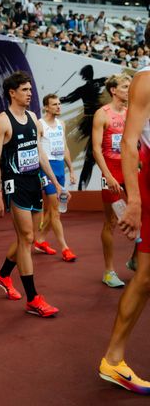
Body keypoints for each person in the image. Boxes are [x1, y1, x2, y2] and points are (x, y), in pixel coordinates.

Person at [0, 70, 66, 316]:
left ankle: (3, 275)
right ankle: (33, 299)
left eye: (30, 89)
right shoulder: (2, 121)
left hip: (34, 182)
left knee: (30, 238)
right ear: (12, 93)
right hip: (16, 184)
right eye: (25, 89)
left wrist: (55, 182)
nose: (29, 93)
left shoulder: (33, 117)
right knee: (25, 237)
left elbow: (39, 153)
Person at [99, 33, 150, 394]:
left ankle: (113, 360)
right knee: (146, 276)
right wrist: (133, 200)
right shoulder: (147, 79)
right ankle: (113, 361)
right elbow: (129, 142)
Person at [92, 74, 132, 288]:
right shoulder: (102, 114)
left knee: (142, 212)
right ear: (113, 90)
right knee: (112, 222)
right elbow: (96, 149)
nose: (129, 90)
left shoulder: (130, 113)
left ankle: (135, 258)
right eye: (125, 86)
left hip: (130, 171)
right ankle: (109, 272)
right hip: (111, 172)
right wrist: (107, 175)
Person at [34, 94, 77, 262]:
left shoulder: (61, 124)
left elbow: (64, 147)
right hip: (47, 170)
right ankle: (65, 248)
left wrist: (71, 169)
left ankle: (40, 240)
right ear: (46, 107)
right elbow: (38, 149)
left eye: (59, 104)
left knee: (54, 210)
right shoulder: (40, 124)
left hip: (60, 168)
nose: (59, 107)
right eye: (54, 104)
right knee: (55, 210)